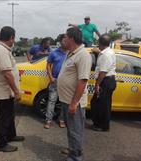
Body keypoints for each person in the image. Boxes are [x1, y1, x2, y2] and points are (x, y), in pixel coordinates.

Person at [57, 27, 92, 161]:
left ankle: (76, 156)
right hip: (66, 100)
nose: (63, 39)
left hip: (74, 103)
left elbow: (82, 81)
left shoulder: (83, 55)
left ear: (71, 38)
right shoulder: (71, 53)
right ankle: (72, 149)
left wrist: (73, 103)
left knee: (75, 130)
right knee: (71, 129)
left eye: (65, 37)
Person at [0, 26, 25, 152]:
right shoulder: (2, 51)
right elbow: (7, 73)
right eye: (14, 38)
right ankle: (1, 144)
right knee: (3, 118)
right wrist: (16, 91)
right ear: (11, 38)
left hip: (4, 91)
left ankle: (11, 135)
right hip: (4, 91)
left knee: (9, 115)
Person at [90, 34, 116, 132]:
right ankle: (98, 123)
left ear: (100, 43)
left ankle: (102, 126)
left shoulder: (106, 55)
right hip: (106, 80)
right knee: (99, 103)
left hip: (105, 81)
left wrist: (97, 84)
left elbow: (103, 72)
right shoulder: (107, 52)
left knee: (102, 105)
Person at [44, 34, 67, 129]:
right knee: (52, 101)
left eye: (67, 40)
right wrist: (51, 77)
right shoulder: (54, 53)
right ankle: (48, 120)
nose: (66, 42)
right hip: (55, 81)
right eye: (64, 40)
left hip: (66, 82)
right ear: (60, 42)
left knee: (64, 102)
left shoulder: (71, 52)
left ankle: (61, 120)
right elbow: (48, 65)